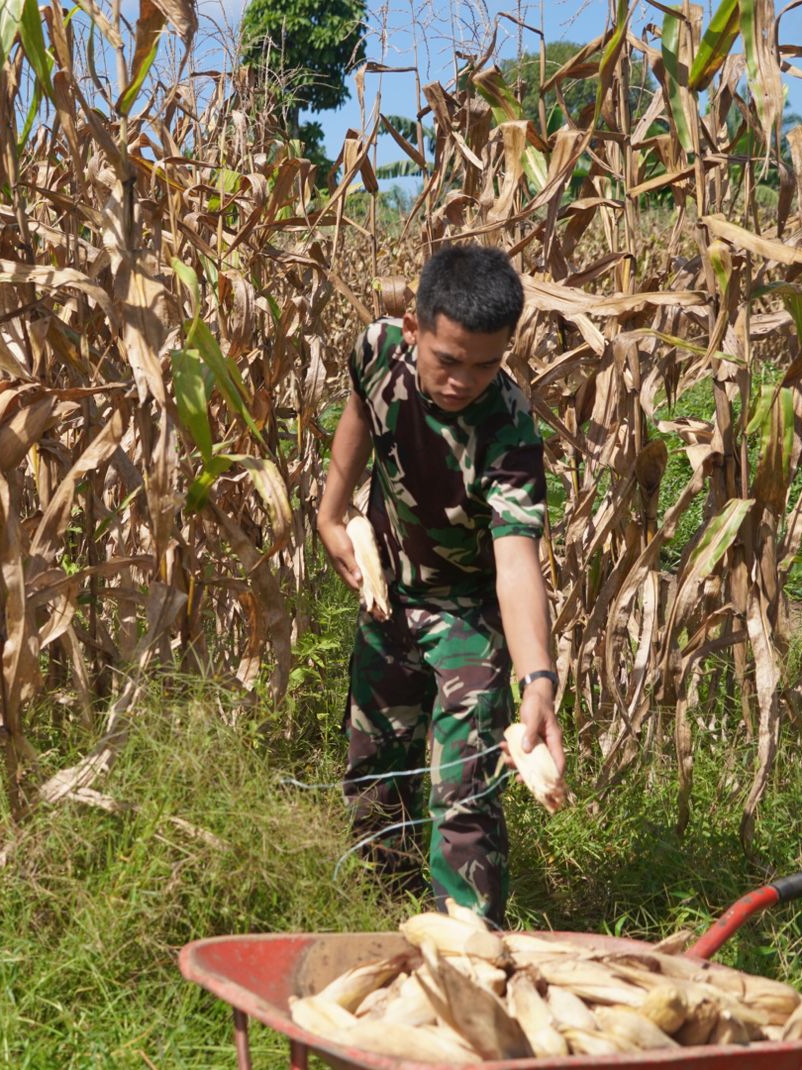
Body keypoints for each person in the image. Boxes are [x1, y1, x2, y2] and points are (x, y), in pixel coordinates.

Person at [316, 243, 565, 925]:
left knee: (464, 791)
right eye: (448, 360)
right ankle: (382, 919)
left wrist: (538, 681)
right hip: (389, 596)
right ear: (414, 330)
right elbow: (359, 418)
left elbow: (517, 561)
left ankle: (470, 948)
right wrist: (331, 511)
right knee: (374, 777)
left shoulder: (508, 431)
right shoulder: (376, 351)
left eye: (487, 364)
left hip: (469, 618)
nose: (464, 381)